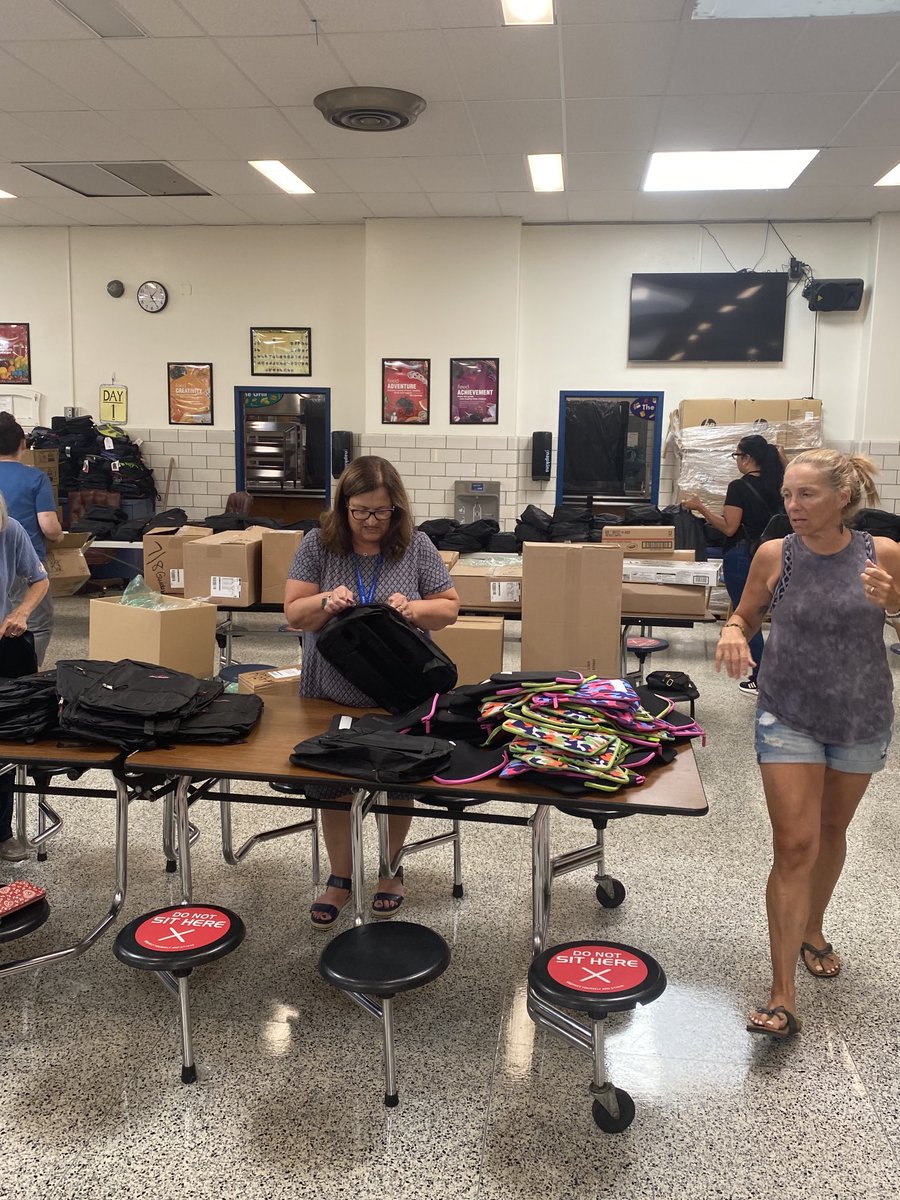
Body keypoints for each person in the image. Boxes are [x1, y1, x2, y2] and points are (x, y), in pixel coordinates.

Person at [716, 448, 900, 1039]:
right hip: (787, 712)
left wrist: (895, 604)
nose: (792, 505)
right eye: (788, 495)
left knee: (830, 831)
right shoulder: (776, 555)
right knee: (795, 844)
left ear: (843, 497)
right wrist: (732, 632)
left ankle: (813, 928)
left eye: (807, 494)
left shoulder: (883, 553)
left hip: (860, 715)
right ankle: (781, 995)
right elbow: (745, 615)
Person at [284, 455, 460, 926]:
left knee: (396, 784)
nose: (370, 521)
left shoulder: (416, 545)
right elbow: (294, 614)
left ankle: (389, 870)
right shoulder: (317, 545)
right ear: (343, 506)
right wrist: (325, 600)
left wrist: (415, 609)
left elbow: (449, 608)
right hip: (331, 690)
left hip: (398, 694)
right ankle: (340, 878)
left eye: (381, 511)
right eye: (359, 511)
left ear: (396, 509)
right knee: (333, 784)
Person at [683, 433, 785, 695]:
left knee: (748, 616)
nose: (736, 460)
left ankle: (760, 678)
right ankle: (777, 676)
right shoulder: (779, 484)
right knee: (779, 617)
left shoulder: (739, 487)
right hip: (776, 555)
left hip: (743, 556)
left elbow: (730, 528)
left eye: (737, 455)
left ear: (748, 458)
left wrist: (700, 507)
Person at [0, 492, 50, 862]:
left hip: (2, 646)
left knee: (2, 743)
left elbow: (39, 580)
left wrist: (21, 612)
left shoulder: (10, 529)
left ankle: (2, 832)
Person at [0, 415, 63, 666]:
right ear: (23, 444)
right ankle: (28, 674)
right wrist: (60, 537)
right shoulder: (34, 478)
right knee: (36, 624)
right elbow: (49, 526)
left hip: (17, 564)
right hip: (27, 562)